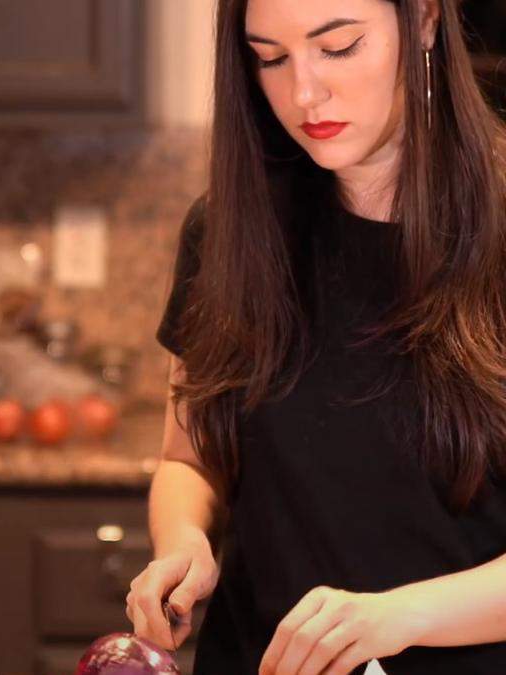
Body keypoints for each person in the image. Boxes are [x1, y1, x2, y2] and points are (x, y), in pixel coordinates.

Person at [129, 0, 506, 673]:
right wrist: (183, 541)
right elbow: (189, 458)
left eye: (338, 47)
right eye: (270, 58)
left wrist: (393, 616)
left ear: (423, 20)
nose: (303, 92)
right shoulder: (229, 233)